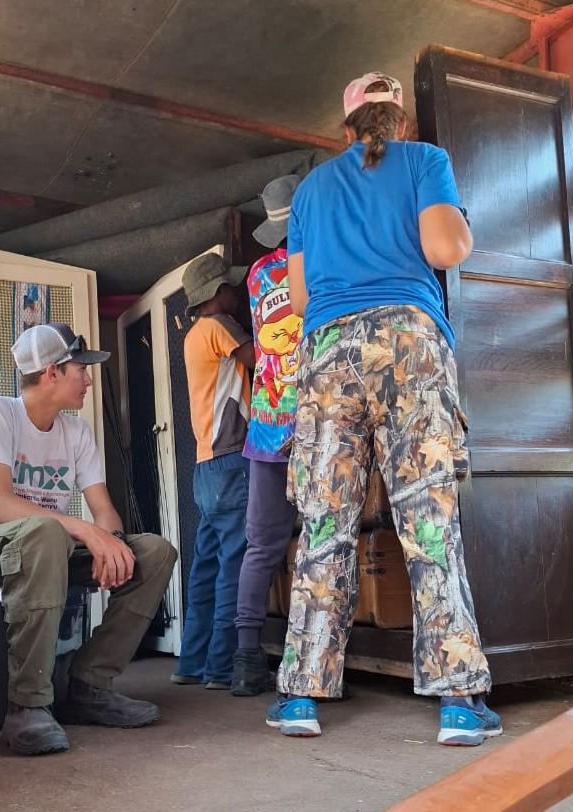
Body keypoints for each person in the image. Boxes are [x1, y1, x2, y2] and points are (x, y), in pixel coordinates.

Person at [266, 72, 502, 746]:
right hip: (409, 343)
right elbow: (446, 249)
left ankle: (302, 696)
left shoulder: (311, 189)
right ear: (397, 119)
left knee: (323, 523)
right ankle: (459, 702)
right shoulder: (426, 161)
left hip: (330, 352)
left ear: (345, 127)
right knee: (429, 520)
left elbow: (303, 297)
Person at [0, 323, 177, 756]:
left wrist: (114, 544)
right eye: (80, 369)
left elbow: (103, 510)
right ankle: (27, 706)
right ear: (51, 372)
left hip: (48, 545)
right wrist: (85, 530)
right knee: (48, 531)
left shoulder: (78, 433)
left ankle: (87, 685)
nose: (88, 379)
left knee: (154, 553)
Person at [231, 175, 303, 697]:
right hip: (320, 423)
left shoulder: (257, 274)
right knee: (326, 538)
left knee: (261, 545)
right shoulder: (320, 262)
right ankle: (316, 658)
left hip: (266, 424)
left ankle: (245, 657)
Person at [171, 252, 256, 689]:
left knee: (205, 566)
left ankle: (191, 663)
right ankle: (222, 667)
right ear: (216, 294)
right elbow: (260, 358)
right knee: (233, 564)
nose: (238, 293)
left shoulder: (191, 336)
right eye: (232, 288)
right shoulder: (220, 327)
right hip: (230, 458)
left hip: (206, 465)